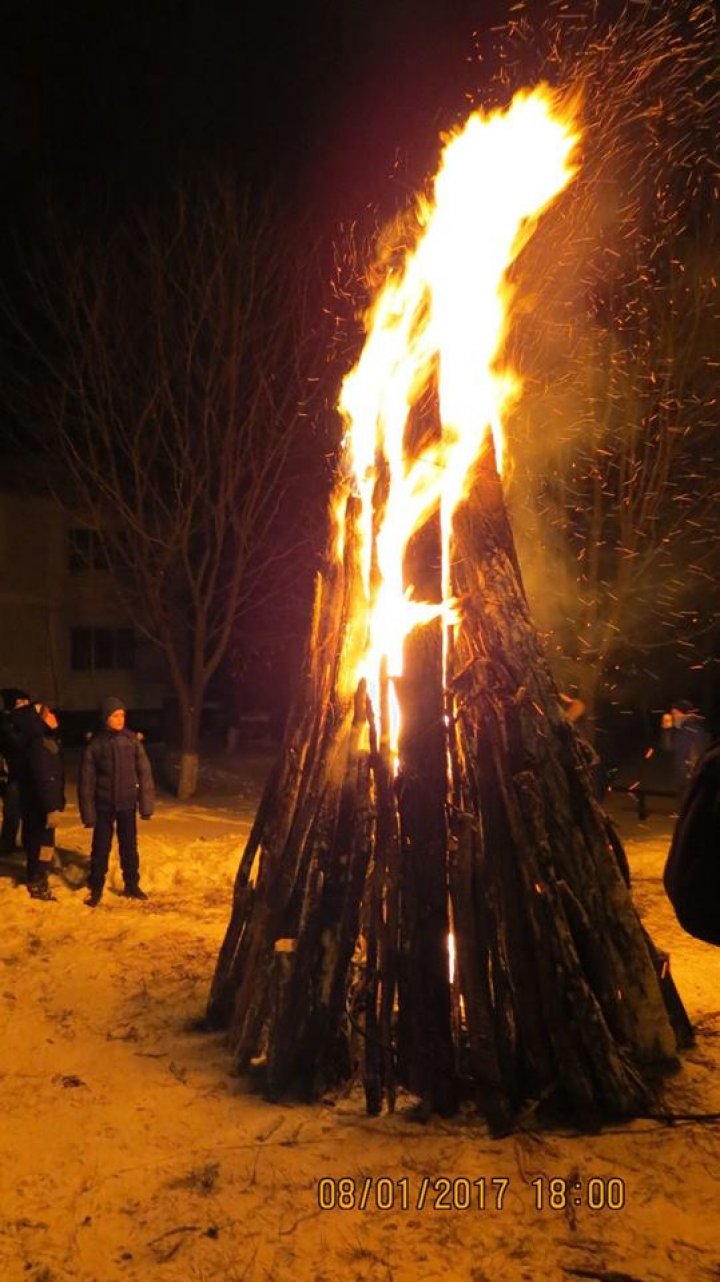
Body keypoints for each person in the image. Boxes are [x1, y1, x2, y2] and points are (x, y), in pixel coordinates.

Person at [79, 696, 155, 907]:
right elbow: (86, 781)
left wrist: (146, 805)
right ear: (106, 719)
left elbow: (144, 773)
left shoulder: (132, 742)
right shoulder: (96, 745)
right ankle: (96, 885)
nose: (120, 719)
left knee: (129, 846)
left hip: (127, 804)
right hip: (103, 804)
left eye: (123, 715)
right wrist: (88, 813)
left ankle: (132, 884)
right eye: (115, 715)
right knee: (100, 847)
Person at [10, 698, 66, 900]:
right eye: (49, 714)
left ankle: (38, 873)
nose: (54, 717)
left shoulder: (44, 741)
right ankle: (37, 879)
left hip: (40, 804)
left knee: (40, 843)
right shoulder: (39, 745)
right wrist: (51, 807)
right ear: (40, 720)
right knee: (42, 844)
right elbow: (45, 778)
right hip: (41, 807)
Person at [0, 688, 32, 854]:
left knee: (29, 812)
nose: (25, 706)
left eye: (27, 702)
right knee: (12, 812)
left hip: (28, 773)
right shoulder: (7, 724)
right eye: (21, 702)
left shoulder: (26, 722)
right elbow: (15, 744)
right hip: (12, 774)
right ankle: (6, 845)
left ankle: (27, 843)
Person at [662, 699, 710, 798]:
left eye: (675, 713)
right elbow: (670, 747)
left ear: (684, 714)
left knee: (689, 802)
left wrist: (691, 774)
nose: (673, 717)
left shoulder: (693, 729)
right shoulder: (682, 729)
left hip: (689, 776)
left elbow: (697, 753)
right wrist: (667, 730)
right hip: (682, 774)